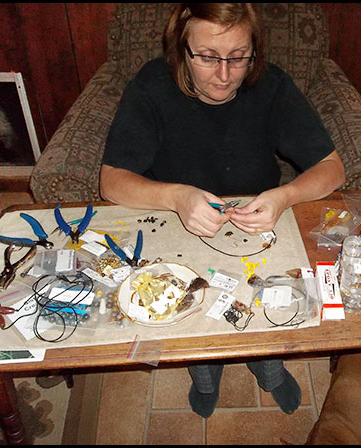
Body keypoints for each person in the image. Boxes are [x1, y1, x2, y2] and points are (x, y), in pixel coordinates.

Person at [100, 3, 345, 418]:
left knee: (271, 302)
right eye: (209, 58)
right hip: (177, 219)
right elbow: (111, 182)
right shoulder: (151, 86)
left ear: (254, 50)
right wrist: (177, 197)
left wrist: (284, 196)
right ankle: (205, 374)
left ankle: (268, 369)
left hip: (258, 216)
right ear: (181, 49)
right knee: (191, 305)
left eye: (238, 56)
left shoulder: (269, 84)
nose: (226, 75)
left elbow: (332, 168)